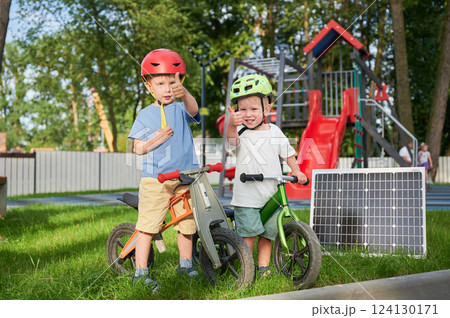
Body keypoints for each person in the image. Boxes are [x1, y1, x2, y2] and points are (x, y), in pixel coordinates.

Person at [128, 48, 200, 292]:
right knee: (148, 226)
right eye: (161, 83)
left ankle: (186, 265)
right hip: (156, 180)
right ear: (149, 85)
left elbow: (194, 110)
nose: (168, 88)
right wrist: (153, 141)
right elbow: (137, 149)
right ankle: (140, 273)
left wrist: (185, 93)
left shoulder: (181, 109)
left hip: (185, 178)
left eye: (173, 82)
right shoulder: (146, 115)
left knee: (187, 224)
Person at [226, 74, 307, 276]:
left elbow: (288, 154)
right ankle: (246, 269)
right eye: (242, 109)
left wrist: (296, 170)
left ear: (267, 109)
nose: (248, 114)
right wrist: (231, 124)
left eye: (253, 109)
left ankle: (264, 268)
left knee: (268, 235)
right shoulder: (241, 132)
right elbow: (231, 142)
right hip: (247, 197)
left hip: (271, 194)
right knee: (249, 235)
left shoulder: (275, 132)